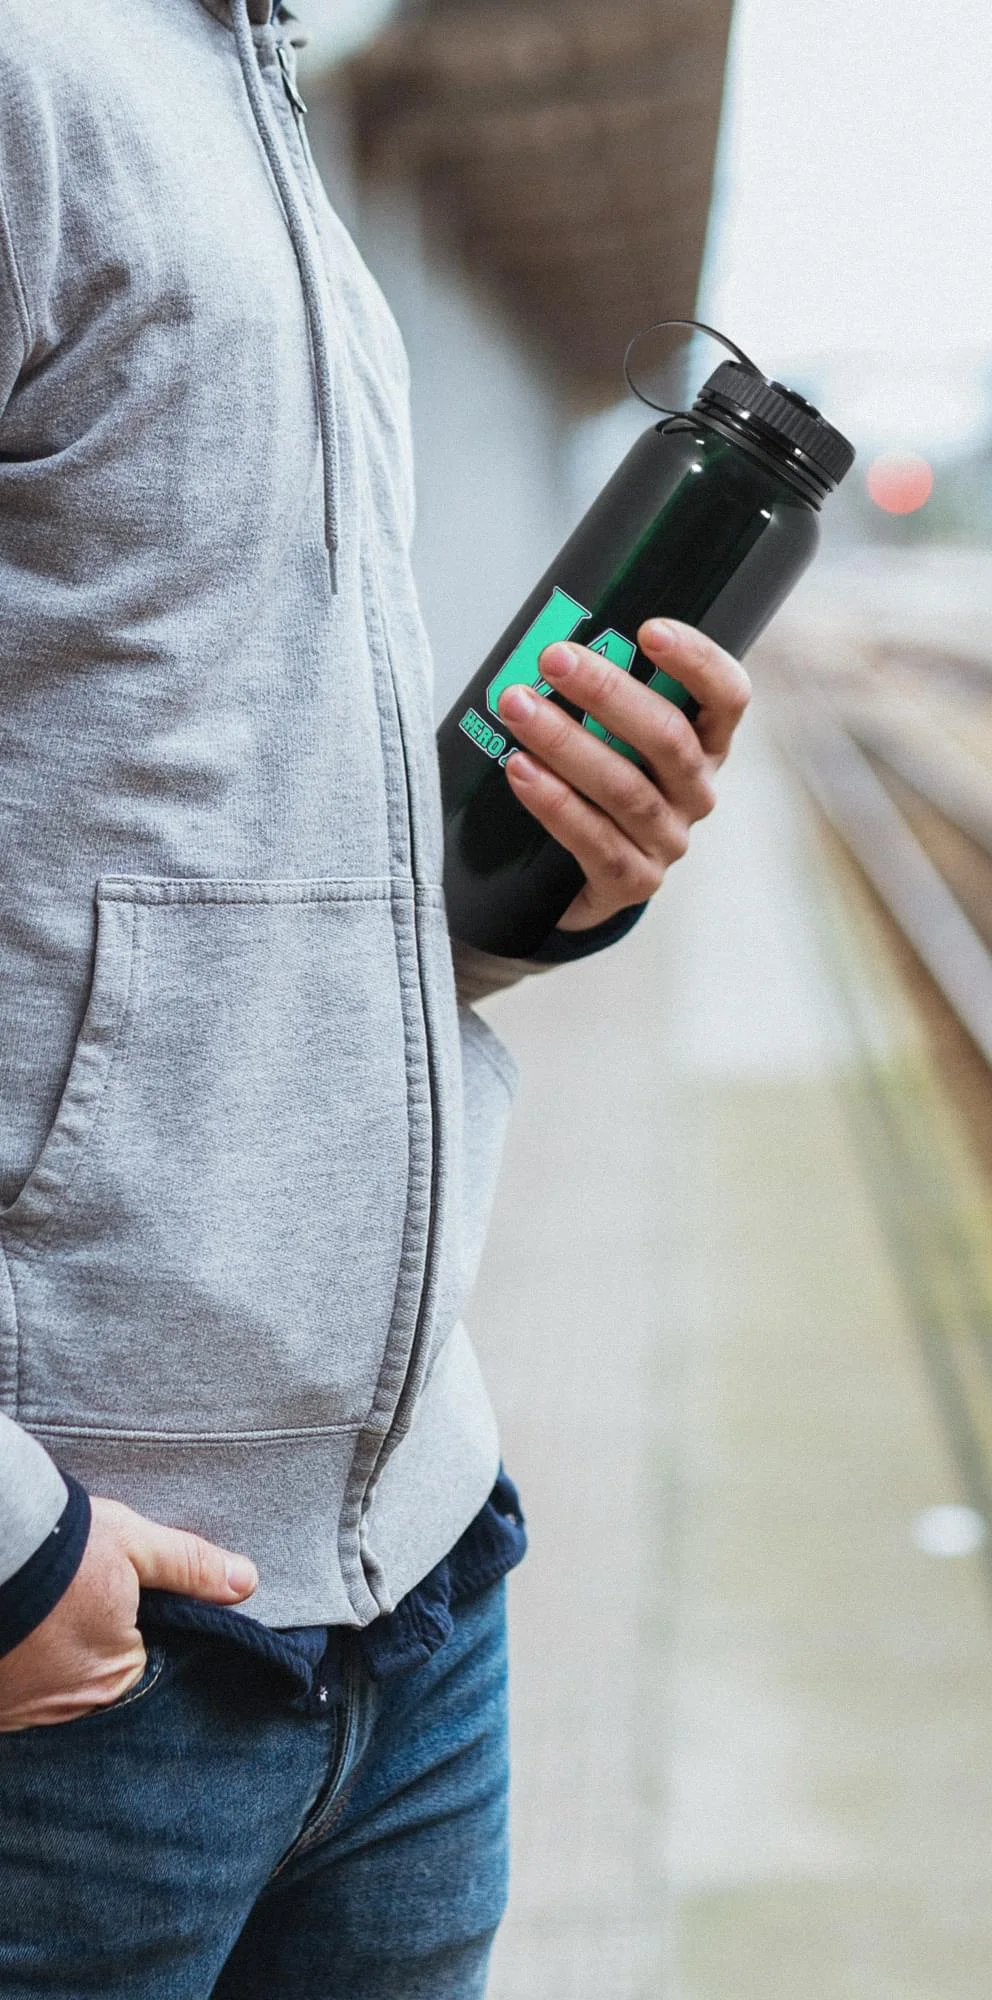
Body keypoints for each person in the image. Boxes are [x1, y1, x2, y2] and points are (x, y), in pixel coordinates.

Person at [0, 2, 749, 1992]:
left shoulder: (249, 98)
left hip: (417, 1591)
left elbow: (185, 854)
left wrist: (536, 892)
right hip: (79, 1662)